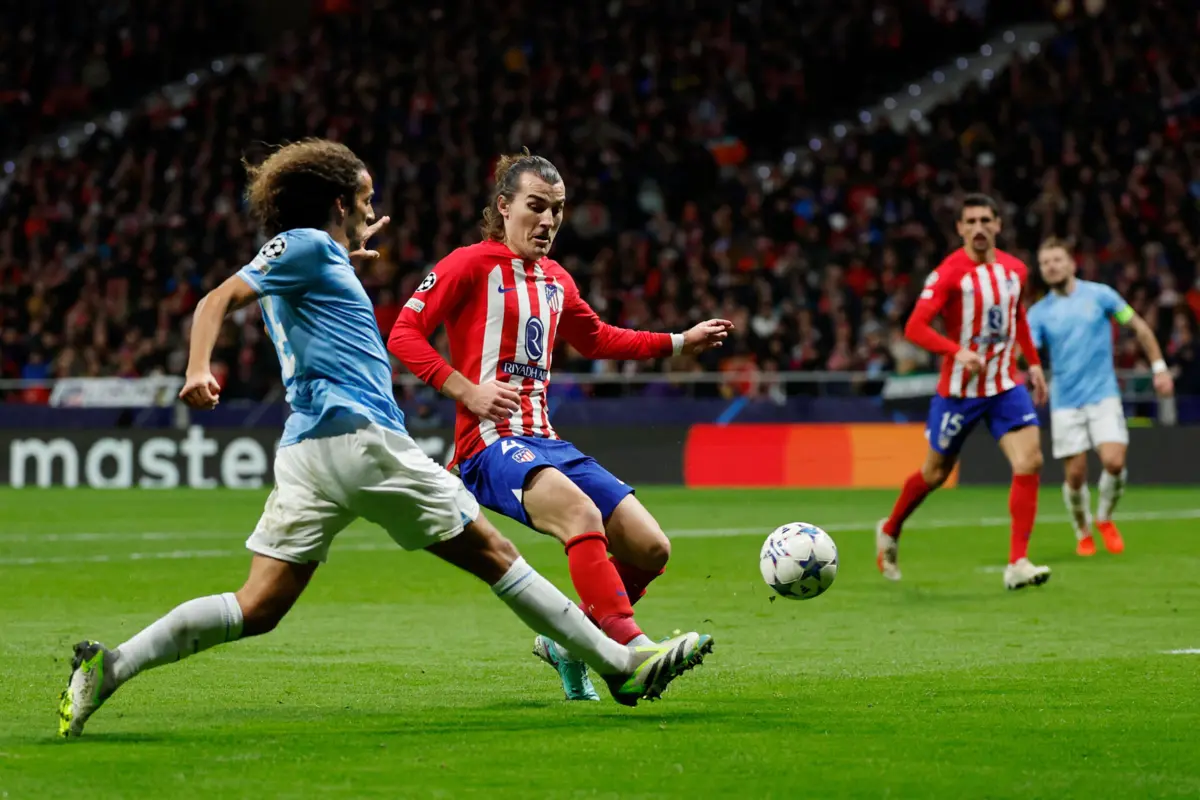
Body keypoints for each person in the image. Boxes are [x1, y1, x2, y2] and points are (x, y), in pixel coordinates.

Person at [56, 140, 713, 738]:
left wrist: (344, 257)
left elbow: (301, 299)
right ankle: (619, 662)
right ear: (340, 202)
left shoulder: (320, 258)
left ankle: (110, 668)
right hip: (364, 441)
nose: (374, 211)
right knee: (495, 554)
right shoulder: (309, 248)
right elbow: (216, 300)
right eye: (366, 199)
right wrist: (199, 367)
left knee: (257, 606)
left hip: (309, 455)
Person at [388, 150, 730, 701]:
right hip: (490, 445)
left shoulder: (555, 279)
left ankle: (569, 645)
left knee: (650, 548)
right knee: (580, 513)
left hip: (546, 440)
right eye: (537, 207)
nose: (548, 221)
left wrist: (678, 341)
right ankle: (630, 651)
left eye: (558, 210)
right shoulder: (467, 265)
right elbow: (403, 334)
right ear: (504, 207)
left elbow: (597, 338)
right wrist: (466, 390)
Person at [875, 193, 1052, 590]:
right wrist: (958, 352)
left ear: (998, 225)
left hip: (1006, 384)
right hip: (959, 391)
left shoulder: (1015, 271)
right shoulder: (948, 274)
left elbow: (1017, 316)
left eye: (985, 220)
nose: (978, 228)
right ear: (959, 228)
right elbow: (915, 327)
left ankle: (1017, 563)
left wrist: (1034, 363)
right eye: (970, 221)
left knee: (1030, 461)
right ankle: (890, 529)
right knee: (934, 474)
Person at [1027, 238, 1174, 556]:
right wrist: (1029, 368)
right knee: (1076, 475)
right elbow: (1028, 353)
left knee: (1114, 460)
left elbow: (1139, 327)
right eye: (1045, 262)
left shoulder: (1101, 296)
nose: (1051, 266)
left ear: (1071, 263)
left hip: (1103, 394)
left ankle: (1105, 517)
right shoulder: (1038, 313)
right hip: (1065, 401)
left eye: (1057, 260)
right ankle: (1083, 531)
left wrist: (1159, 367)